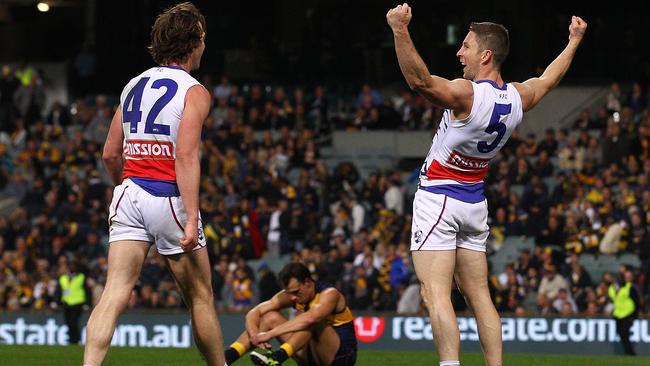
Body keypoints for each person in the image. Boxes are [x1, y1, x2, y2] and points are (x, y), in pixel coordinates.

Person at [386, 4, 587, 366]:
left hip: (439, 198)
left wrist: (400, 30)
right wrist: (574, 42)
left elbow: (420, 82)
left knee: (435, 294)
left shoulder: (467, 94)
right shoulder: (516, 98)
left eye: (466, 45)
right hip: (475, 203)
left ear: (486, 54)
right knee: (479, 296)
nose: (460, 52)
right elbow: (549, 80)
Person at [83, 3, 226, 366]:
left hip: (129, 193)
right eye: (203, 38)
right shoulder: (194, 92)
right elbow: (186, 157)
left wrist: (127, 187)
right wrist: (192, 218)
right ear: (194, 41)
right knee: (199, 296)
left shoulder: (132, 85)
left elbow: (110, 154)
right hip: (168, 198)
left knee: (113, 293)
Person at [224, 262, 357, 366]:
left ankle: (277, 358)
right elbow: (254, 312)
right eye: (289, 293)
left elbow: (311, 318)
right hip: (311, 356)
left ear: (308, 283)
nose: (292, 298)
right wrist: (254, 335)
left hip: (340, 358)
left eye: (296, 292)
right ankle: (226, 358)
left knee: (313, 319)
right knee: (270, 317)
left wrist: (270, 334)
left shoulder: (329, 294)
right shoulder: (292, 294)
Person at [56, 259, 90, 345]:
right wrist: (56, 301)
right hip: (66, 303)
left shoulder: (81, 277)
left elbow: (87, 291)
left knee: (73, 322)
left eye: (73, 266)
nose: (72, 268)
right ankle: (72, 339)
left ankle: (75, 339)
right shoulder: (63, 278)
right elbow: (59, 291)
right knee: (68, 322)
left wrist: (87, 303)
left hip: (77, 303)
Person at [608, 268, 639, 356]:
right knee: (621, 333)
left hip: (628, 314)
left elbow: (636, 301)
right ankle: (629, 352)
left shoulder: (629, 287)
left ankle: (629, 352)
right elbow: (612, 299)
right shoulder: (612, 288)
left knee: (623, 333)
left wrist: (635, 315)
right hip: (618, 314)